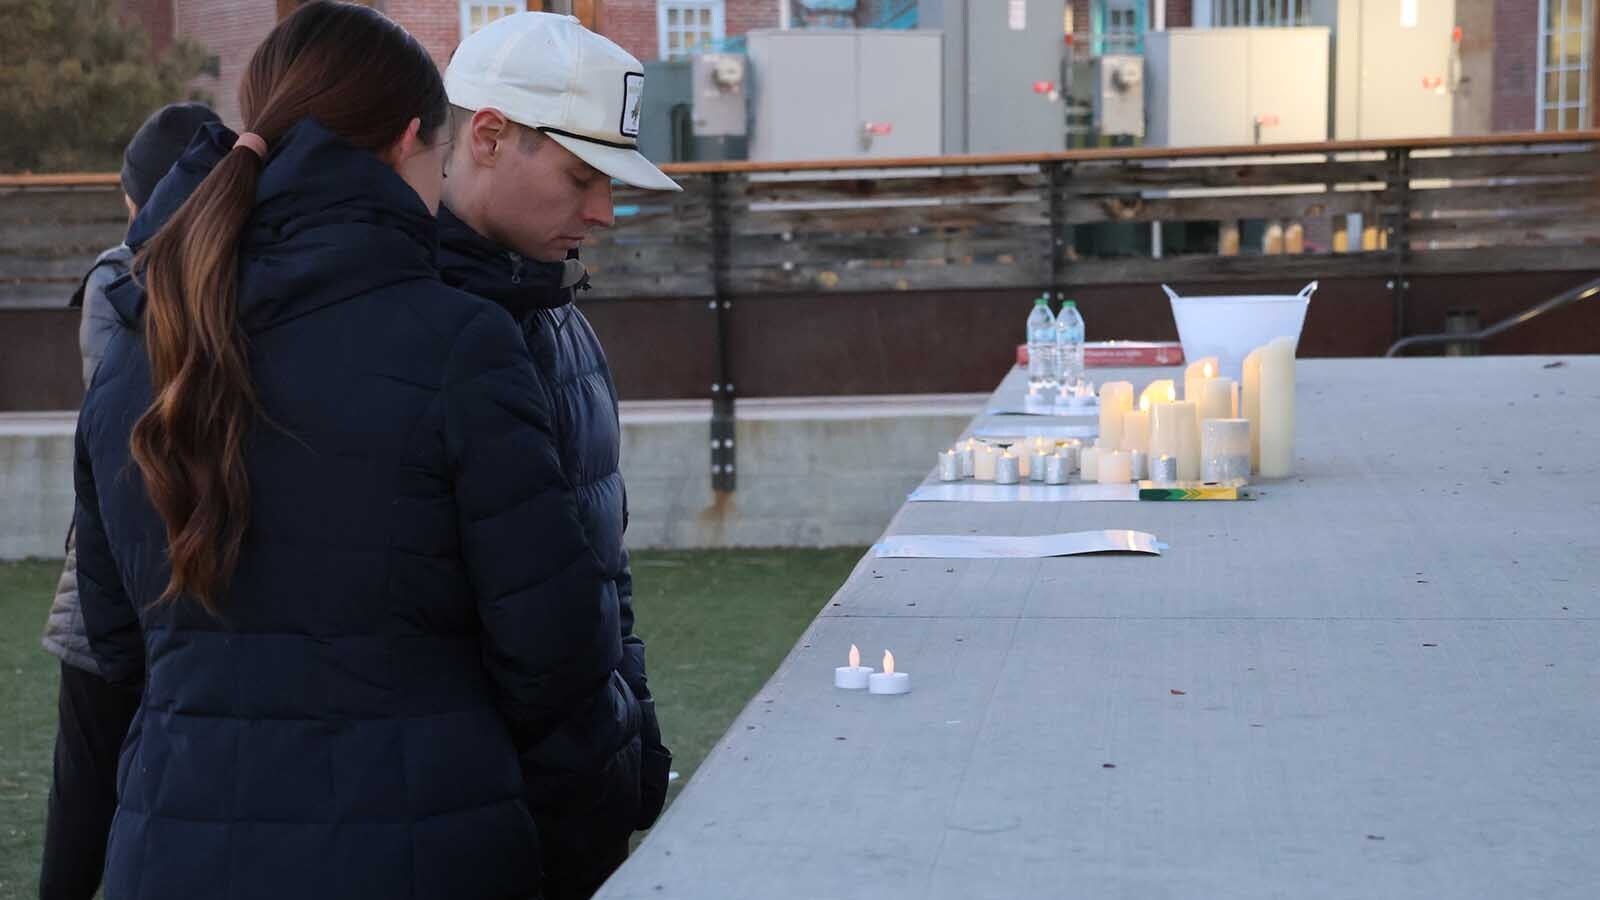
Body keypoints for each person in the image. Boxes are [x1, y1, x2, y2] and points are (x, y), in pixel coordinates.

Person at [72, 3, 621, 897]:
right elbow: (555, 651)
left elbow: (115, 639)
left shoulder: (144, 337)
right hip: (417, 849)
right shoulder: (456, 342)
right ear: (415, 139)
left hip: (173, 848)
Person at [438, 14, 677, 898]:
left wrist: (631, 736)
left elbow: (601, 568)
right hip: (465, 829)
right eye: (583, 176)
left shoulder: (560, 316)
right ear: (489, 136)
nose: (605, 212)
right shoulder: (399, 324)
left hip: (573, 810)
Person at [41, 99, 220, 900]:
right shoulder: (122, 282)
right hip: (121, 597)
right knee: (87, 811)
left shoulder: (134, 278)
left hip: (153, 589)